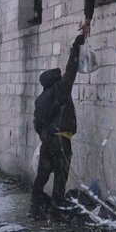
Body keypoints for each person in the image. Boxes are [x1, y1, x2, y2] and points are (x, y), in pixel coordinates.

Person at [29, 34, 85, 221]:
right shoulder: (60, 90)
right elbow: (71, 70)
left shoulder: (41, 99)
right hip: (62, 141)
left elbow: (37, 124)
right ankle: (55, 213)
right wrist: (75, 47)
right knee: (60, 178)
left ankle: (35, 208)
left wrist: (45, 136)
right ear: (56, 80)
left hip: (47, 142)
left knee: (42, 176)